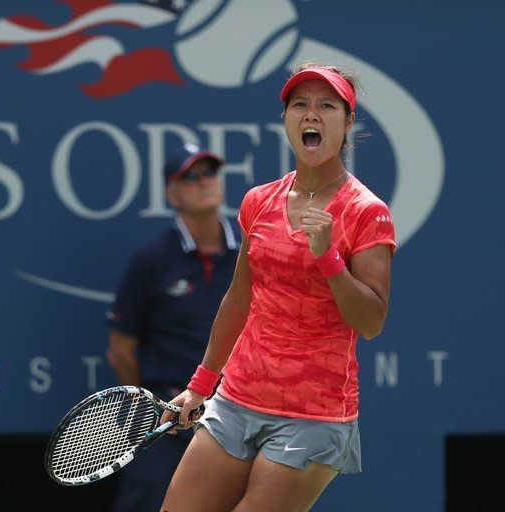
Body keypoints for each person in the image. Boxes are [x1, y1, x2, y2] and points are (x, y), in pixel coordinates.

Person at [160, 62, 396, 512]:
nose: (312, 115)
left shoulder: (368, 212)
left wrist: (328, 258)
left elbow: (371, 322)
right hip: (237, 398)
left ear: (347, 123)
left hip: (315, 414)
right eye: (300, 105)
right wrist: (200, 385)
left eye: (327, 106)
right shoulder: (259, 201)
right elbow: (239, 298)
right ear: (286, 119)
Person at [106, 143, 240, 512]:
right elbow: (121, 349)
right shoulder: (150, 261)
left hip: (235, 418)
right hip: (165, 421)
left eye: (210, 173)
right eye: (190, 177)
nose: (204, 183)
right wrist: (153, 411)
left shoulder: (250, 254)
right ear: (171, 193)